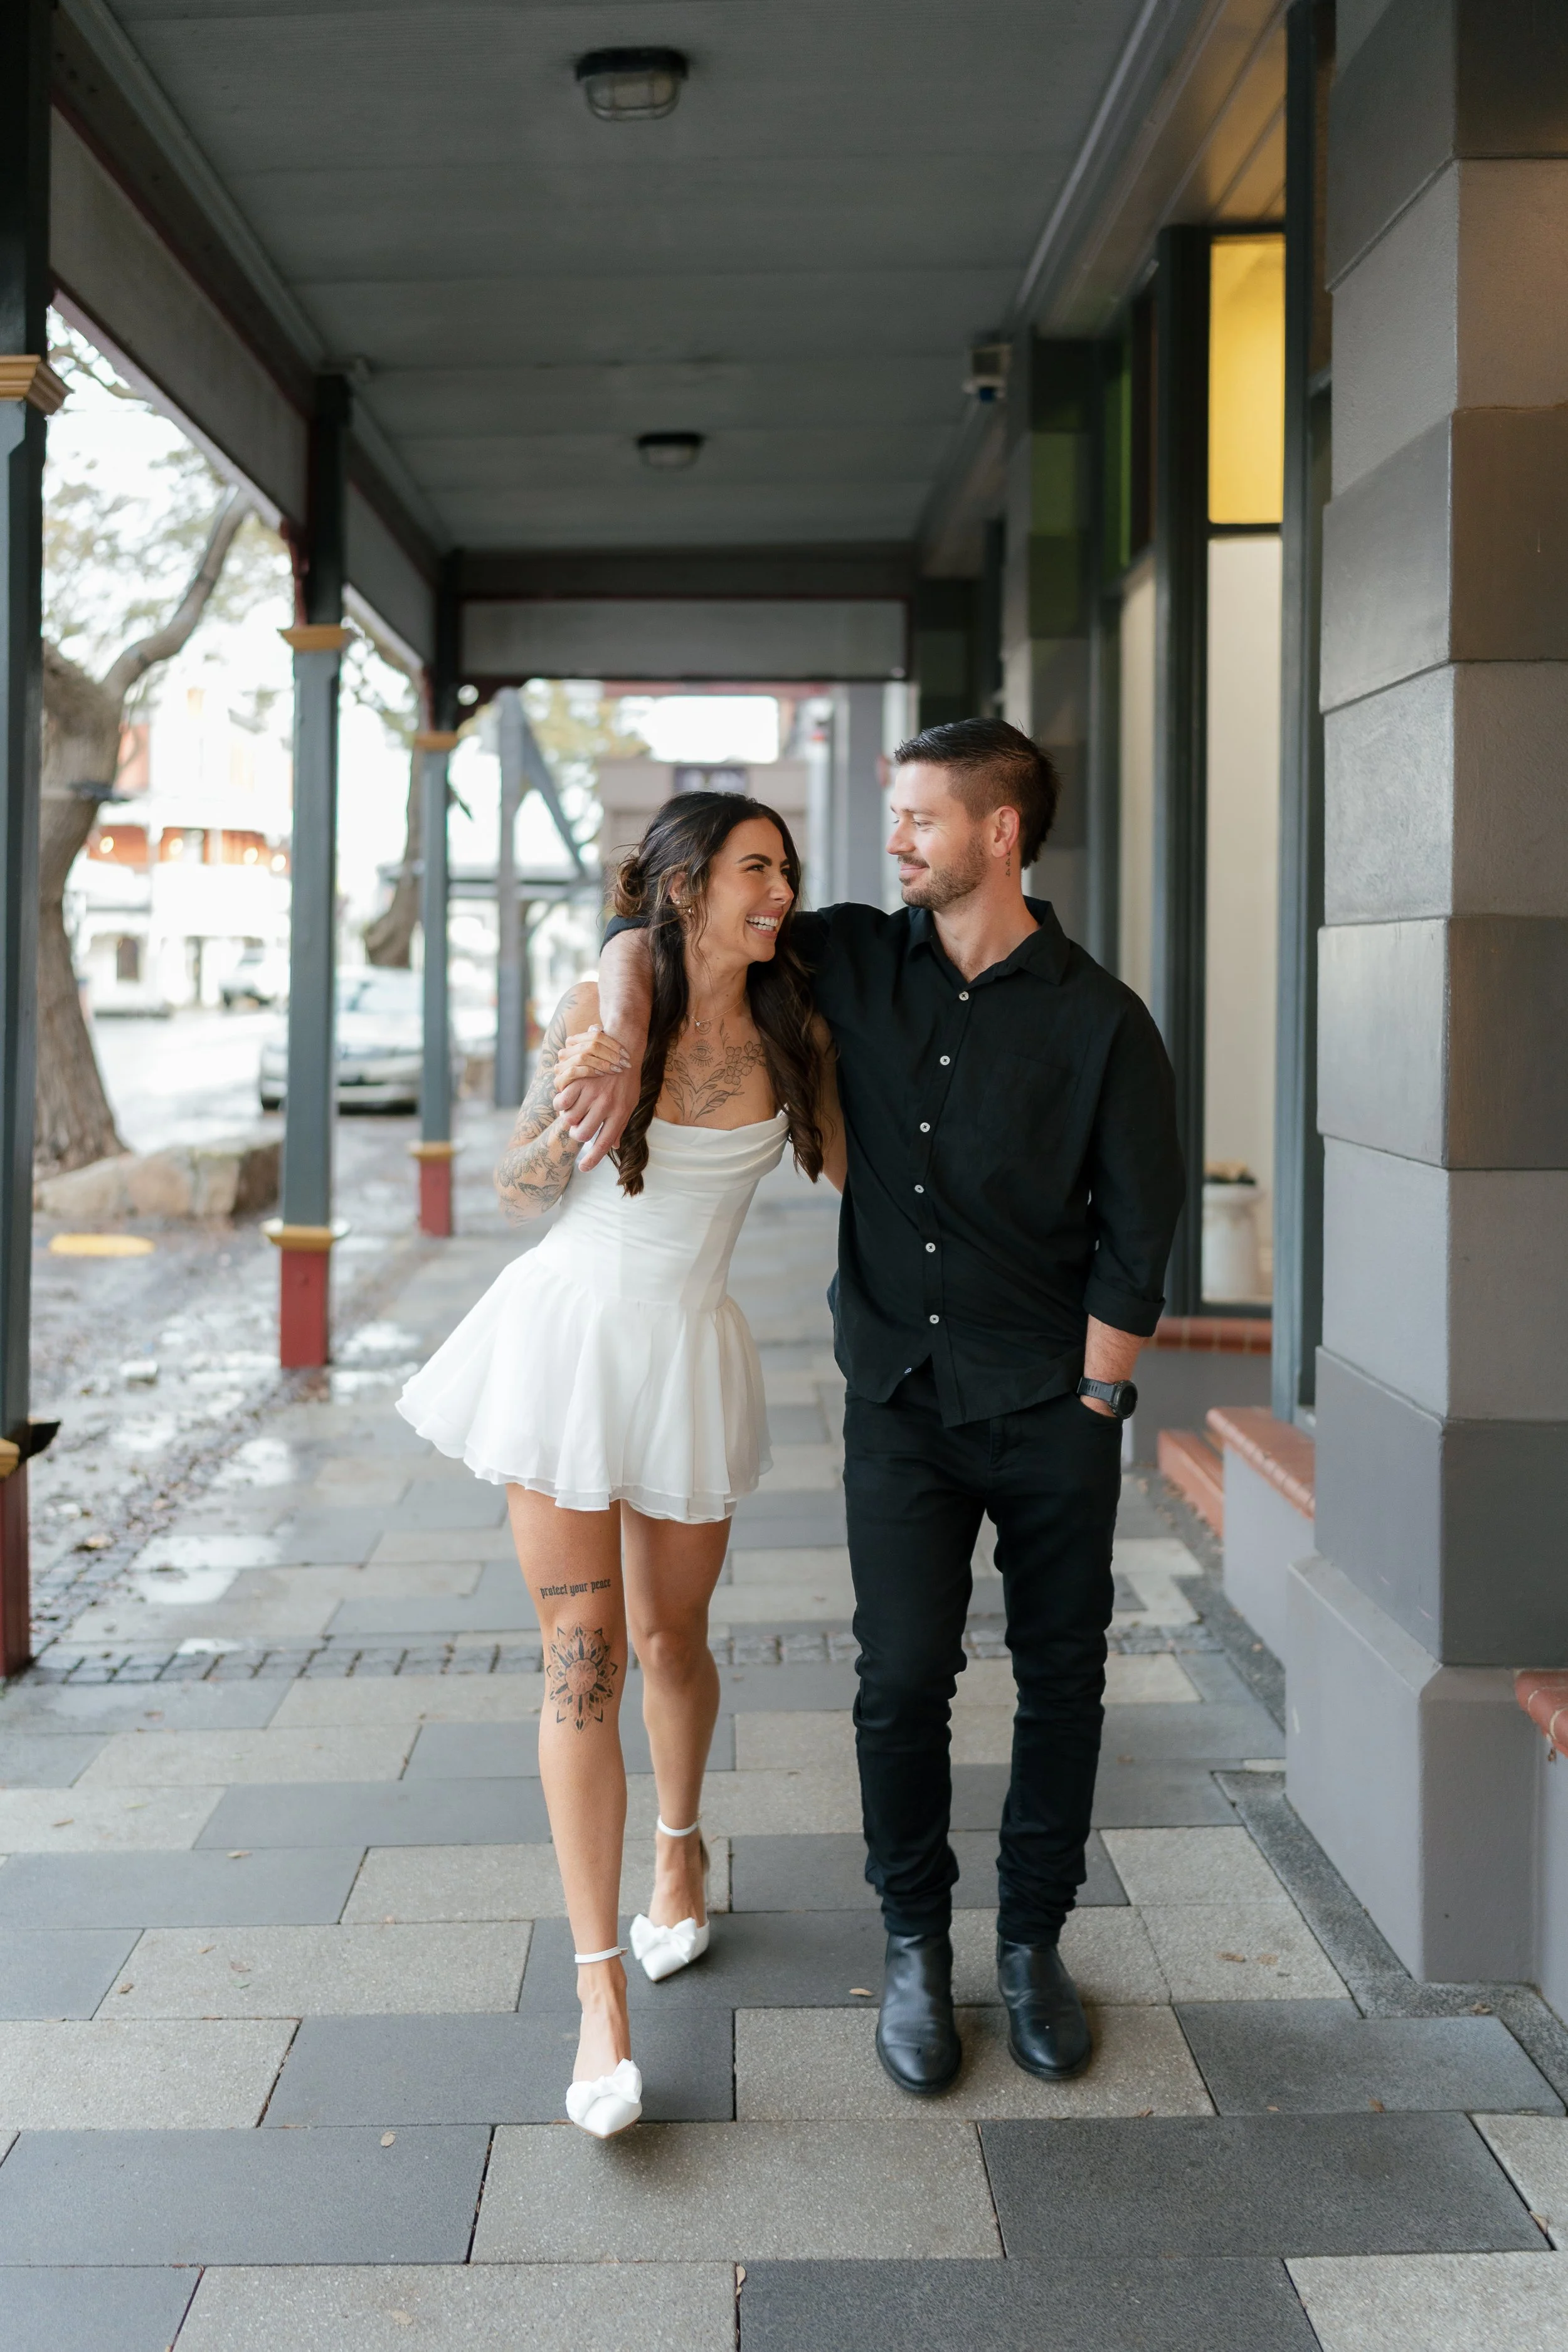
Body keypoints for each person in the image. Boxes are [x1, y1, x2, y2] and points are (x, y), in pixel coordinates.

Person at [567, 718, 1184, 2095]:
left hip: (1049, 1406)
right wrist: (614, 1008)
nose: (891, 840)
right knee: (899, 1683)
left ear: (998, 832)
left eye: (917, 819)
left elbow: (1141, 1230)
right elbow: (658, 926)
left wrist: (1097, 1393)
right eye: (893, 818)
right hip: (898, 1398)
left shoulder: (1100, 1020)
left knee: (1062, 1680)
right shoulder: (843, 951)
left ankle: (1029, 1946)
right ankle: (914, 1946)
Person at [397, 792, 841, 2139]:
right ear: (688, 882)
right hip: (564, 1352)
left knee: (671, 1641)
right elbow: (518, 1199)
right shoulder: (602, 1008)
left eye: (785, 870)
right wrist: (579, 1088)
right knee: (580, 1664)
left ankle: (679, 1846)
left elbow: (869, 1177)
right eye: (756, 868)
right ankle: (599, 1998)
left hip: (689, 1353)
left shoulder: (794, 1026)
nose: (778, 890)